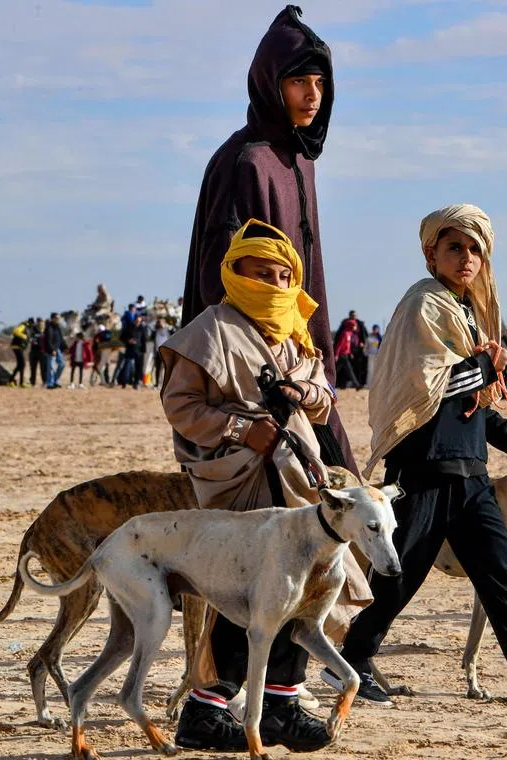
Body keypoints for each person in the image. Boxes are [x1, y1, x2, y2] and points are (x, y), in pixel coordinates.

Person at [336, 204, 507, 707]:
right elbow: (425, 390)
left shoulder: (466, 312)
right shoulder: (425, 305)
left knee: (499, 571)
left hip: (470, 471)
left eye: (475, 248)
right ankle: (352, 658)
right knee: (400, 572)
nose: (467, 258)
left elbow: (470, 405)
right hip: (426, 467)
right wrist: (483, 362)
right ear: (431, 252)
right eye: (455, 247)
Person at [161, 219, 371, 751]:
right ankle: (206, 712)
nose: (275, 285)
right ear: (234, 273)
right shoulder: (209, 330)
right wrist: (240, 430)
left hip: (298, 478)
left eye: (283, 275)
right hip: (241, 480)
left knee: (303, 593)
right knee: (247, 594)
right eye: (261, 273)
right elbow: (180, 406)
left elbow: (326, 400)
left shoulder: (293, 331)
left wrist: (305, 391)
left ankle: (281, 703)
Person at [182, 5, 358, 473]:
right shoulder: (245, 161)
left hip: (304, 361)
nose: (313, 95)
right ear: (270, 84)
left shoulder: (301, 162)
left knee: (341, 495)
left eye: (321, 83)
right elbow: (219, 282)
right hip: (258, 372)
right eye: (300, 82)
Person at [332, 316, 360, 389]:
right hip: (342, 355)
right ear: (351, 326)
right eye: (354, 326)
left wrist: (350, 353)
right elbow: (340, 345)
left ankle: (355, 384)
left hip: (345, 355)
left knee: (337, 370)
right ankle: (356, 384)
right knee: (346, 370)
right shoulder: (345, 334)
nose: (356, 327)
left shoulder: (350, 334)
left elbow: (347, 346)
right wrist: (337, 354)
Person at [44, 313, 66, 389]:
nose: (58, 319)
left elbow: (60, 338)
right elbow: (48, 340)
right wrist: (52, 350)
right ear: (52, 318)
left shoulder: (57, 327)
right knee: (51, 367)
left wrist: (65, 347)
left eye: (58, 318)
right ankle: (50, 384)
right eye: (56, 318)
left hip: (58, 349)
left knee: (62, 364)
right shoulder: (48, 327)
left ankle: (55, 381)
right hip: (51, 350)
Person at [152, 318, 173, 387]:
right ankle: (157, 383)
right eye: (159, 322)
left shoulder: (169, 330)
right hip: (158, 352)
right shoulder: (156, 331)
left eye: (161, 322)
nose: (160, 324)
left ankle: (165, 384)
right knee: (157, 368)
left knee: (166, 369)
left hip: (166, 352)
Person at [28, 317, 47, 387]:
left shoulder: (45, 330)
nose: (40, 323)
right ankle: (32, 382)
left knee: (43, 368)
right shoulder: (33, 330)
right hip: (33, 352)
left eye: (41, 322)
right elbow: (31, 339)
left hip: (42, 352)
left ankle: (44, 382)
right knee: (33, 368)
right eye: (39, 322)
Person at [10, 320, 29, 387]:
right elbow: (15, 332)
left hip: (18, 347)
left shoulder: (26, 328)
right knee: (22, 364)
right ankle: (19, 382)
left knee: (20, 365)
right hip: (17, 347)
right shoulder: (23, 326)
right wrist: (24, 336)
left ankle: (13, 381)